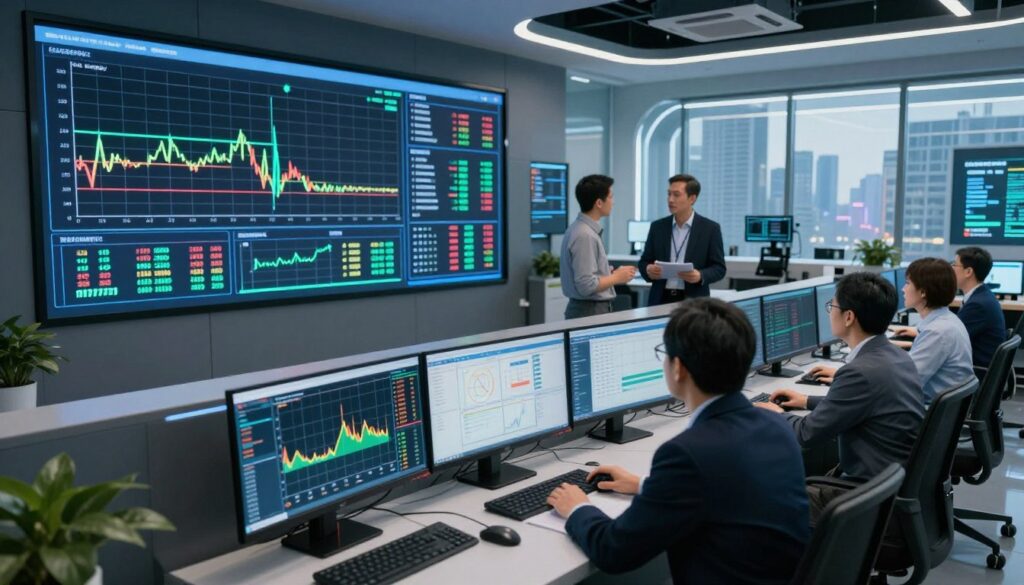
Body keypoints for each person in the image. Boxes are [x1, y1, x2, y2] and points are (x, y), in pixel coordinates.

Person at [547, 298, 809, 584]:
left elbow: (614, 551)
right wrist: (645, 485)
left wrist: (577, 508)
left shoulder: (687, 453)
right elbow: (726, 488)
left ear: (678, 369)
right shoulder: (777, 425)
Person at [754, 272, 924, 521]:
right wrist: (806, 401)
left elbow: (806, 434)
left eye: (831, 307)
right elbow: (865, 405)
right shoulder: (896, 356)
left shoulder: (859, 372)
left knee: (758, 497)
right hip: (888, 482)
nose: (829, 313)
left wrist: (778, 414)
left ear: (848, 317)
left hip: (867, 497)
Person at [888, 258, 976, 405]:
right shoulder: (947, 320)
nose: (903, 289)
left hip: (927, 410)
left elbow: (905, 382)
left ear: (923, 292)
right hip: (941, 408)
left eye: (908, 283)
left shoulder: (937, 332)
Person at [637, 174, 726, 306]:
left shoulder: (710, 229)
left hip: (694, 301)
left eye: (676, 195)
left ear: (692, 199)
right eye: (669, 194)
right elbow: (644, 262)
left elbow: (719, 268)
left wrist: (700, 275)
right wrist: (648, 269)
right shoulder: (657, 227)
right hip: (660, 299)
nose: (670, 200)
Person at [560, 175, 637, 319]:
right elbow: (586, 285)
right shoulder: (585, 235)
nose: (613, 202)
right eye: (611, 197)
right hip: (589, 312)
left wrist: (607, 272)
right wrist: (617, 277)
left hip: (588, 310)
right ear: (599, 203)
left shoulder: (580, 229)